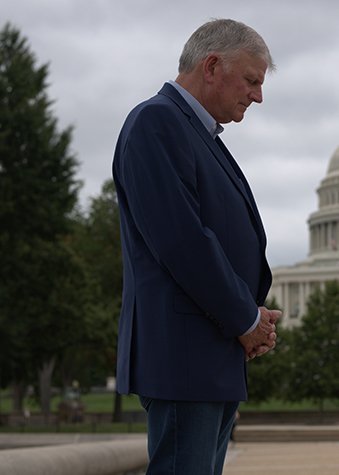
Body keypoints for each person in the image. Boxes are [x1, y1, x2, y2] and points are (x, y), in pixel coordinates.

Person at [112, 19, 281, 474]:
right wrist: (245, 318)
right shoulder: (157, 122)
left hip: (208, 355)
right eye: (251, 81)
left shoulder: (197, 133)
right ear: (211, 66)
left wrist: (249, 316)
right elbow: (183, 242)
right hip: (185, 355)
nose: (258, 96)